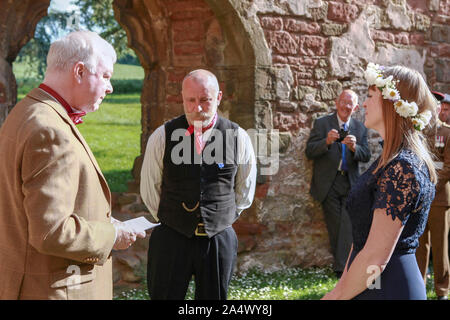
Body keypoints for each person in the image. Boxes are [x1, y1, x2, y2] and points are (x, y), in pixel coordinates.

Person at [0, 30, 145, 300]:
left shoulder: (25, 111)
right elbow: (51, 231)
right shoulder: (49, 130)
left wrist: (101, 218)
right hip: (56, 290)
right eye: (105, 76)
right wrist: (111, 234)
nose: (110, 87)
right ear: (79, 71)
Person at [322, 63, 437, 300]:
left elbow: (375, 256)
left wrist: (337, 296)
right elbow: (362, 237)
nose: (363, 103)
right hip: (366, 280)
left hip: (387, 286)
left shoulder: (402, 168)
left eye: (370, 96)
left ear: (392, 103)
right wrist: (341, 286)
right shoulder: (387, 160)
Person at [140, 69, 256, 300]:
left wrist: (220, 217)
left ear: (219, 97)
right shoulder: (163, 136)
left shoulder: (237, 136)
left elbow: (245, 188)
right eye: (190, 101)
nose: (198, 107)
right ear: (182, 98)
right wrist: (173, 219)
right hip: (171, 237)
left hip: (218, 238)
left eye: (205, 100)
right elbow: (149, 187)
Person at [305, 89, 371, 278]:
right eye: (343, 102)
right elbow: (309, 151)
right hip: (328, 183)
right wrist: (325, 142)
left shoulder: (360, 128)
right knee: (335, 226)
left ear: (356, 107)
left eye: (350, 104)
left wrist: (354, 148)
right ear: (336, 102)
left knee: (348, 223)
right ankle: (342, 266)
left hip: (350, 182)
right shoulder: (322, 123)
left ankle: (343, 268)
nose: (345, 106)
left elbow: (366, 155)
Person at [415, 91, 450, 300]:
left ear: (438, 109)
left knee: (440, 245)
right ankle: (418, 286)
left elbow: (448, 167)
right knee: (419, 245)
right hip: (419, 198)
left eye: (435, 106)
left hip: (438, 198)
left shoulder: (446, 133)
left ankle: (442, 290)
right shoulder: (418, 131)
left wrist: (429, 185)